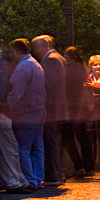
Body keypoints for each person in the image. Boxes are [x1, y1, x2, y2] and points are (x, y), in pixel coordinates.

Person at [0, 40, 32, 194]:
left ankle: (16, 181)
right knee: (9, 148)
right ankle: (15, 181)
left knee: (7, 149)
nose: (0, 51)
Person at [7, 38, 46, 190]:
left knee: (23, 148)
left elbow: (15, 92)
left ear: (16, 51)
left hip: (26, 113)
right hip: (39, 111)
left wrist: (6, 108)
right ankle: (37, 178)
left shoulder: (23, 68)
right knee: (38, 147)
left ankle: (30, 179)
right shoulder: (37, 65)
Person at [31, 35, 68, 187]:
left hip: (51, 109)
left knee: (51, 142)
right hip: (58, 108)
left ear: (42, 46)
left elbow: (49, 86)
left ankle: (53, 175)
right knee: (56, 142)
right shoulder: (59, 57)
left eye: (36, 48)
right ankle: (59, 173)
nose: (35, 52)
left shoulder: (49, 60)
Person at [61, 47, 95, 178]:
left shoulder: (67, 70)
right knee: (83, 138)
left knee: (68, 138)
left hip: (70, 107)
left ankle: (79, 166)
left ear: (68, 57)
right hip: (82, 108)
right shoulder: (83, 68)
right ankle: (90, 167)